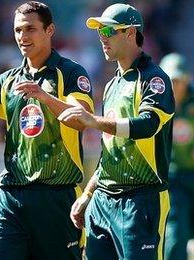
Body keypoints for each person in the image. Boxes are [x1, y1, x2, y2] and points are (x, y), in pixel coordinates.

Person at [0, 1, 94, 259]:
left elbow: (80, 119)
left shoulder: (70, 73)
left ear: (50, 30)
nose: (22, 37)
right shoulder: (7, 80)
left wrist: (45, 97)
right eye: (17, 30)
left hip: (56, 197)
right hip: (10, 197)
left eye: (30, 29)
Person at [63, 3, 175, 259]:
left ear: (130, 32)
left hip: (142, 199)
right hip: (103, 201)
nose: (102, 38)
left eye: (109, 31)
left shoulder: (154, 78)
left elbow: (147, 125)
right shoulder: (113, 84)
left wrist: (92, 120)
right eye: (100, 32)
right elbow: (109, 151)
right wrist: (88, 194)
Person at [159, 53, 192, 260]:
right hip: (173, 176)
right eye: (171, 79)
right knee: (176, 232)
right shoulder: (157, 102)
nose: (176, 85)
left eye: (179, 79)